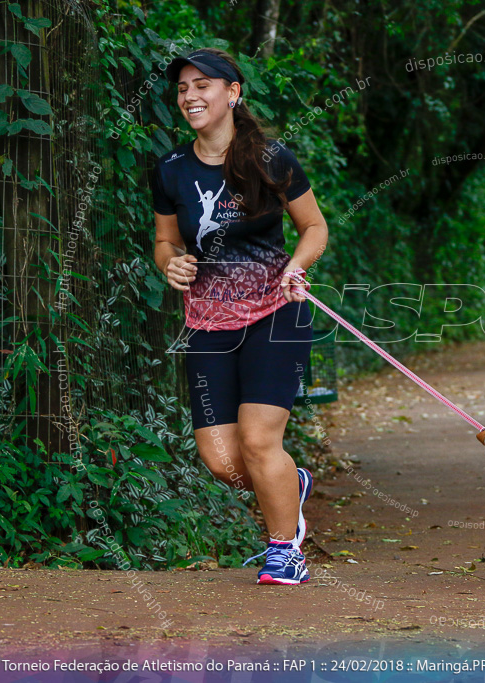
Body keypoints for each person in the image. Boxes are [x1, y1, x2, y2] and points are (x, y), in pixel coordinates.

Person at [151, 48, 328, 585]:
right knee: (224, 462)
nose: (190, 97)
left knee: (257, 441)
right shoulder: (171, 169)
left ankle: (284, 550)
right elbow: (165, 239)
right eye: (183, 89)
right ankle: (287, 485)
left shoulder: (271, 158)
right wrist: (171, 264)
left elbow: (314, 228)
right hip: (207, 321)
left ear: (233, 93)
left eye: (203, 85)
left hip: (276, 312)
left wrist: (297, 267)